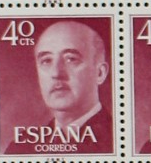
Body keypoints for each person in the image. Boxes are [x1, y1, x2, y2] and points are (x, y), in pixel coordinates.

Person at [16, 20, 108, 150]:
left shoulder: (117, 139)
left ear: (100, 73)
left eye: (71, 59)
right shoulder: (20, 148)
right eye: (46, 60)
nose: (56, 73)